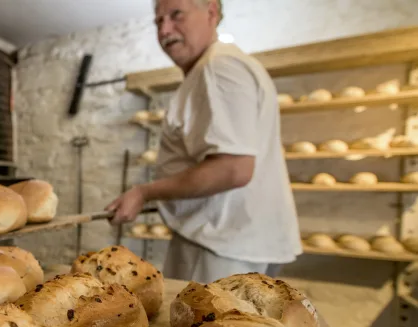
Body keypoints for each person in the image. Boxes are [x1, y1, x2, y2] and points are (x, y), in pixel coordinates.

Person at [106, 0, 301, 284]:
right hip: (232, 240)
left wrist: (144, 192)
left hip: (219, 243)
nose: (165, 29)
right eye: (158, 21)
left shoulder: (218, 68)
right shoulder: (217, 67)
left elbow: (232, 168)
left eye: (176, 15)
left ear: (211, 12)